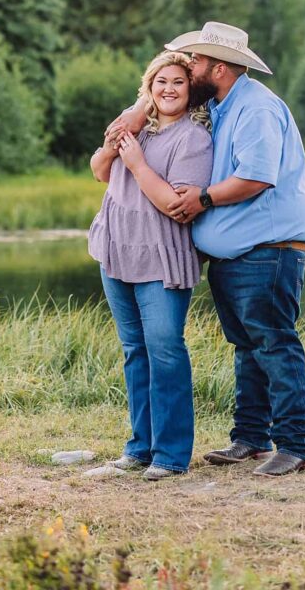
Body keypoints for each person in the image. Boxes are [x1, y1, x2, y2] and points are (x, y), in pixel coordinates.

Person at [107, 22, 305, 477]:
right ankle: (251, 437)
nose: (190, 68)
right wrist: (143, 103)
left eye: (196, 63)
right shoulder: (222, 105)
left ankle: (296, 444)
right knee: (247, 345)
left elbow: (257, 177)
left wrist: (202, 199)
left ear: (218, 68)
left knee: (273, 341)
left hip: (269, 247)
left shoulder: (257, 108)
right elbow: (164, 93)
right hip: (236, 253)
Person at [89, 50, 213, 481]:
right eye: (161, 81)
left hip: (162, 255)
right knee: (134, 351)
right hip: (116, 249)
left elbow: (174, 205)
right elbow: (99, 171)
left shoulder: (194, 139)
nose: (169, 89)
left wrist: (137, 163)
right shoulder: (137, 128)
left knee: (164, 349)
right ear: (149, 88)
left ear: (190, 89)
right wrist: (113, 144)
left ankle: (171, 455)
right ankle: (139, 448)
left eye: (178, 81)